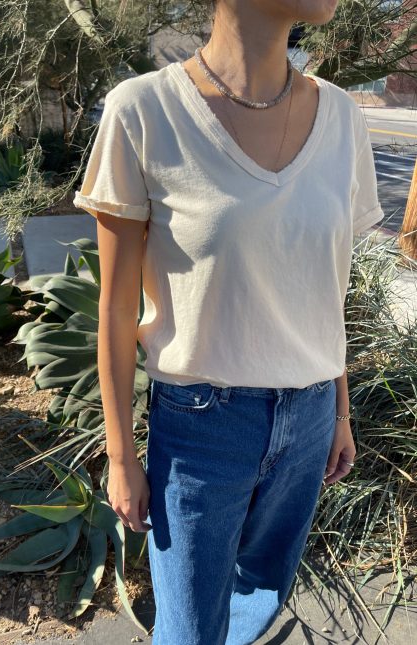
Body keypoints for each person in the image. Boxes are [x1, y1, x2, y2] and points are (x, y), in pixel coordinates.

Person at [73, 1, 385, 643]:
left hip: (311, 417)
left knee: (260, 600)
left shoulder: (343, 117)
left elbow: (327, 287)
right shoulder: (144, 110)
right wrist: (122, 456)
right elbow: (115, 307)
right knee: (190, 630)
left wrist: (340, 410)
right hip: (201, 428)